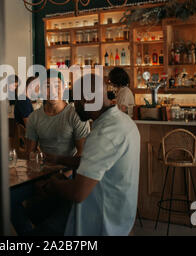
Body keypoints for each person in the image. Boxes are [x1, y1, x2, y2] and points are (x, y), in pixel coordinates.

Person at [37, 73, 140, 235]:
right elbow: (96, 162)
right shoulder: (123, 122)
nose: (75, 106)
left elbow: (78, 193)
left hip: (100, 221)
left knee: (40, 225)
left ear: (87, 100)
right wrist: (58, 159)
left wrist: (53, 184)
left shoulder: (104, 134)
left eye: (77, 101)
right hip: (122, 214)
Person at [25, 69, 90, 170]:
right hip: (43, 172)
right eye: (47, 86)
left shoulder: (76, 115)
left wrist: (64, 174)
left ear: (64, 88)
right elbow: (30, 153)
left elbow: (83, 153)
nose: (52, 91)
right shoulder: (34, 117)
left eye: (57, 86)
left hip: (69, 172)